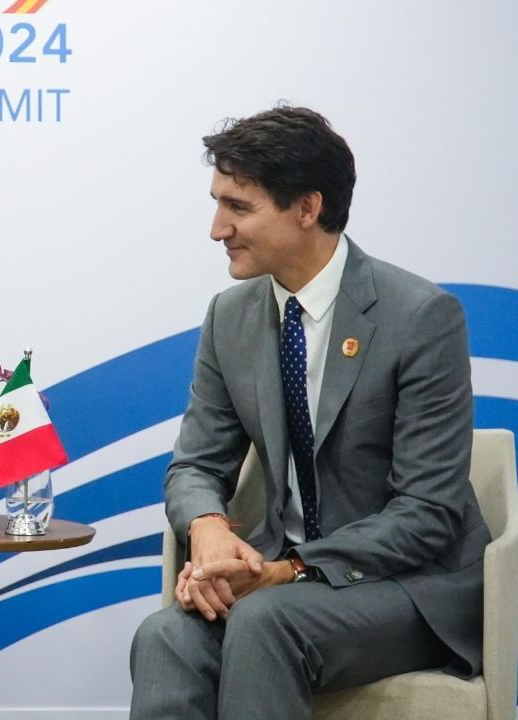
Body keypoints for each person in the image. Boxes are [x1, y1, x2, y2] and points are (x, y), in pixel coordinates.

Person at [129, 107, 490, 719]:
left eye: (238, 207)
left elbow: (428, 513)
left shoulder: (421, 317)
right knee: (163, 637)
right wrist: (208, 527)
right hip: (280, 579)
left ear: (307, 208)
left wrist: (291, 571)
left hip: (408, 588)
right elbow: (194, 466)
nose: (217, 229)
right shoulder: (231, 316)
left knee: (269, 621)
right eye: (217, 203)